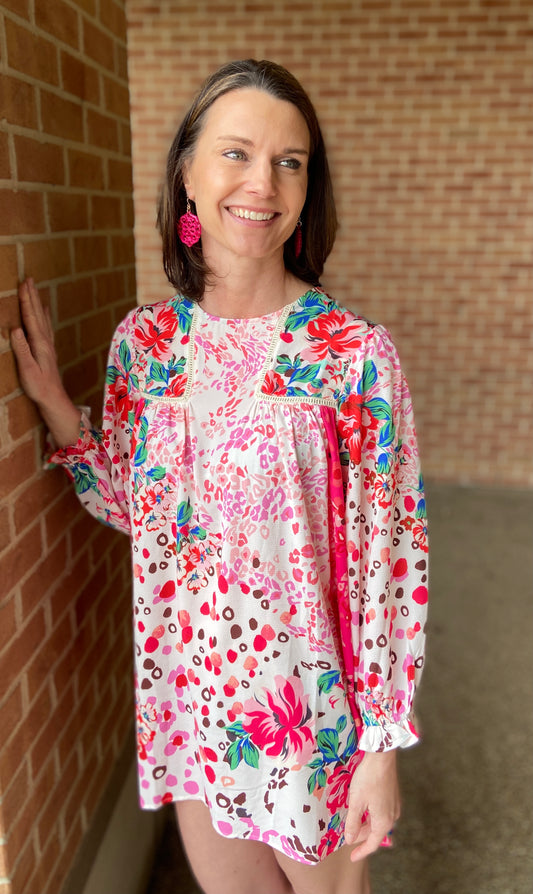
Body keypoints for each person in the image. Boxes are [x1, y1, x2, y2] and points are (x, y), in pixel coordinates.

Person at [11, 60, 428, 894]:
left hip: (310, 715)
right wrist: (61, 413)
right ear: (188, 176)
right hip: (193, 701)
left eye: (289, 161)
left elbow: (390, 560)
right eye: (235, 153)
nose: (262, 183)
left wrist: (382, 747)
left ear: (308, 191)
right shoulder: (147, 345)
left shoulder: (349, 357)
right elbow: (145, 513)